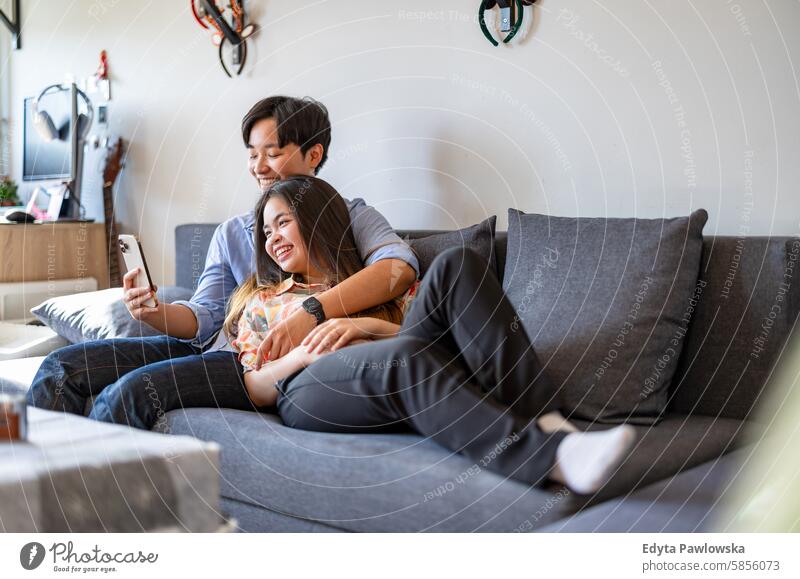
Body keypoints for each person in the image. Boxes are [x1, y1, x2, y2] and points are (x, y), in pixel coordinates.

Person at [26, 96, 419, 426]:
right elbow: (205, 316)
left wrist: (312, 313)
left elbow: (397, 270)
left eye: (273, 153)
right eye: (252, 155)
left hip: (248, 362)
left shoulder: (350, 217)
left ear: (313, 154)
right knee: (61, 368)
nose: (258, 167)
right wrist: (154, 312)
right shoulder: (234, 232)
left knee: (131, 394)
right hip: (208, 348)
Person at [232, 175, 636, 495]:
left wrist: (364, 324)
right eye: (266, 232)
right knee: (402, 359)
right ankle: (552, 459)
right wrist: (304, 352)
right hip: (305, 391)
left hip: (395, 362)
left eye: (283, 222)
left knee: (457, 264)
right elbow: (252, 385)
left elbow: (419, 338)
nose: (273, 239)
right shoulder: (265, 301)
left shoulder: (372, 282)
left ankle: (548, 420)